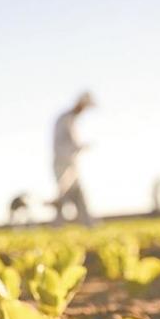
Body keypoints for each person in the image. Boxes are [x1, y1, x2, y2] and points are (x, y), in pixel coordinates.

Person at [51, 92, 95, 226]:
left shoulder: (71, 119)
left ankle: (88, 224)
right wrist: (80, 147)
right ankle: (57, 226)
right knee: (64, 195)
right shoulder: (65, 119)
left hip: (70, 163)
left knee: (78, 194)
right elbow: (66, 143)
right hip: (63, 164)